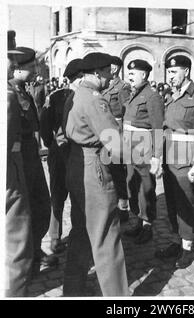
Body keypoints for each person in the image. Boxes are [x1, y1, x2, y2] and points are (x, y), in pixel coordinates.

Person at [62, 52, 129, 296]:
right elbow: (116, 145)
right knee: (106, 236)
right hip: (95, 168)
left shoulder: (75, 94)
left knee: (80, 232)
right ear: (98, 73)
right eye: (109, 73)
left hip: (76, 163)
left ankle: (73, 289)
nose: (111, 78)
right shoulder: (95, 100)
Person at [154, 55, 194, 268]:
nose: (170, 76)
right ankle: (175, 241)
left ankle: (187, 246)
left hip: (186, 160)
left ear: (186, 71)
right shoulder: (172, 95)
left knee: (185, 204)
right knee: (171, 203)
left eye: (174, 72)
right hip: (170, 158)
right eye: (168, 72)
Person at [9, 46, 58, 275]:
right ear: (17, 69)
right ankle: (23, 259)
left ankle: (35, 249)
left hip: (31, 154)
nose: (36, 72)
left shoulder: (24, 90)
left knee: (41, 202)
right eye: (31, 67)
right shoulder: (8, 93)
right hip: (18, 158)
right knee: (23, 208)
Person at [40, 58, 83, 254]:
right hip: (66, 154)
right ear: (78, 77)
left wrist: (53, 146)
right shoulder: (60, 96)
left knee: (68, 195)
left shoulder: (64, 96)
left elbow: (44, 128)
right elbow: (44, 126)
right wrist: (54, 146)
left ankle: (64, 238)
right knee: (61, 196)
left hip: (68, 153)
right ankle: (59, 239)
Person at [123, 59, 164, 244]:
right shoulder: (134, 94)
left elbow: (157, 128)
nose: (130, 77)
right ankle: (137, 220)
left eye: (133, 74)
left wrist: (157, 156)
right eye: (129, 74)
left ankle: (148, 224)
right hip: (129, 145)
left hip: (143, 145)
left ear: (145, 75)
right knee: (133, 185)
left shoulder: (152, 96)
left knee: (146, 187)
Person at [6, 30, 34, 297]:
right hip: (15, 163)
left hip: (25, 155)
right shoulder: (9, 95)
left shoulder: (21, 90)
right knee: (17, 226)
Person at [102, 55, 131, 222]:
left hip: (117, 132)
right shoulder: (105, 86)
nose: (110, 69)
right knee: (108, 169)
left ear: (117, 69)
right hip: (106, 132)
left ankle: (123, 208)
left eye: (112, 66)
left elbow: (127, 113)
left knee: (119, 171)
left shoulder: (122, 87)